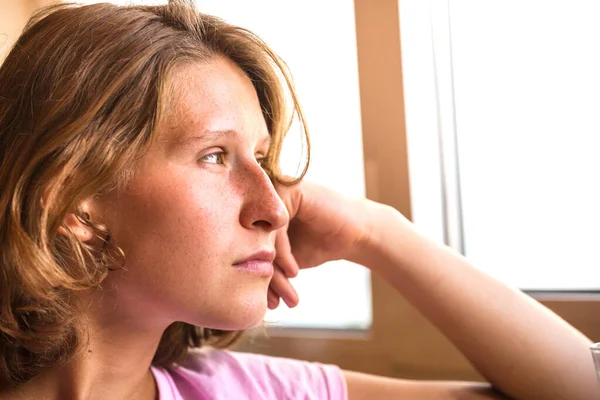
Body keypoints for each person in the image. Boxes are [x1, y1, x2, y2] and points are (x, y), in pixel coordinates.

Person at [0, 1, 596, 399]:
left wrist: (375, 232)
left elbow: (579, 386)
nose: (275, 208)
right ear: (78, 204)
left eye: (261, 159)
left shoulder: (258, 391)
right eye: (214, 156)